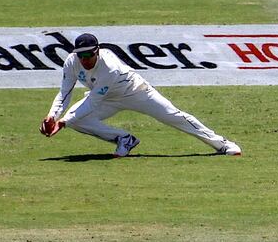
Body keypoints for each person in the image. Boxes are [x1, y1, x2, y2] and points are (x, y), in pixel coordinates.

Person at [40, 33, 241, 157]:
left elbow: (92, 102)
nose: (84, 60)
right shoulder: (71, 61)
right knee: (77, 121)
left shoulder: (109, 68)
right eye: (80, 55)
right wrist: (52, 116)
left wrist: (63, 122)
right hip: (107, 98)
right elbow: (65, 92)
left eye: (88, 55)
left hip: (135, 92)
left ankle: (222, 144)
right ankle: (124, 139)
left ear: (97, 51)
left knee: (174, 116)